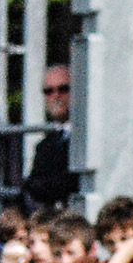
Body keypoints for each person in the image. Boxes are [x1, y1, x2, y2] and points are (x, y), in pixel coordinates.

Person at [22, 66, 78, 212]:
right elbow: (33, 187)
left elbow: (72, 182)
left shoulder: (86, 139)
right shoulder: (45, 145)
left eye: (63, 89)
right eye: (49, 91)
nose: (56, 96)